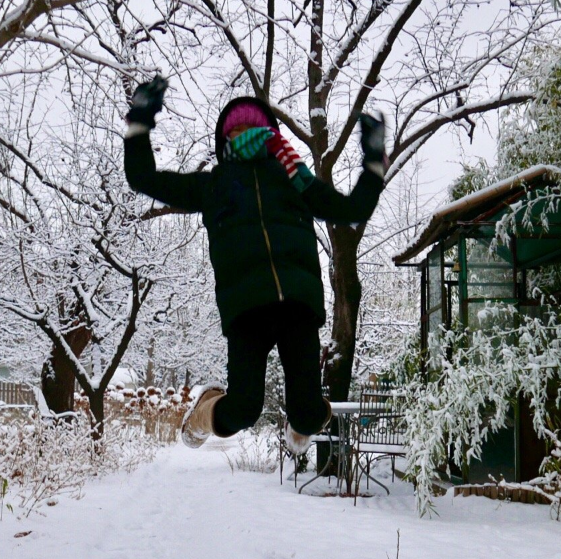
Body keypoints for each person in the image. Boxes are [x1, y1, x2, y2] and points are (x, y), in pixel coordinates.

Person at [123, 76, 386, 454]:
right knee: (244, 409)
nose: (245, 134)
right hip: (247, 308)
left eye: (254, 128)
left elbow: (353, 210)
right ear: (225, 141)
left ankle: (302, 426)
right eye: (236, 130)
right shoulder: (215, 185)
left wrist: (374, 160)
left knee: (310, 414)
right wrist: (140, 119)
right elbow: (142, 177)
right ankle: (203, 414)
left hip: (297, 304)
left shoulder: (295, 181)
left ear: (269, 133)